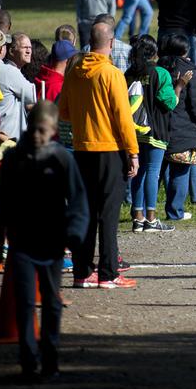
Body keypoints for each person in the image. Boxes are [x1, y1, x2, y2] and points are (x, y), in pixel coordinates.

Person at [0, 101, 89, 380]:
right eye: (33, 129)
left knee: (51, 301)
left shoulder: (61, 158)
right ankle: (28, 357)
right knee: (23, 301)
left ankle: (50, 355)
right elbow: (4, 203)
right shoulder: (15, 158)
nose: (36, 135)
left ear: (54, 130)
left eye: (42, 131)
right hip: (21, 242)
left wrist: (75, 234)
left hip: (52, 242)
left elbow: (79, 201)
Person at [58, 21, 139, 289]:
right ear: (112, 42)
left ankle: (82, 272)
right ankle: (108, 273)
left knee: (86, 213)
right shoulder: (111, 73)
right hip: (108, 150)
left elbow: (64, 112)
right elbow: (123, 118)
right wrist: (133, 152)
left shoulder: (74, 71)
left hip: (82, 149)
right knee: (108, 214)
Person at [124, 34, 191, 233]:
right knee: (153, 172)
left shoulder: (129, 73)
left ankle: (138, 217)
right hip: (156, 129)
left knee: (139, 173)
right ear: (154, 53)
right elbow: (170, 102)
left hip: (133, 131)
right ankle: (151, 219)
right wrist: (179, 86)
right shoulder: (160, 73)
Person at [158, 34, 196, 218]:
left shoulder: (158, 69)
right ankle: (175, 211)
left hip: (157, 129)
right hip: (183, 130)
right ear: (185, 50)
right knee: (180, 171)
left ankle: (143, 212)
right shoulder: (191, 73)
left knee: (154, 172)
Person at [0, 29, 36, 140]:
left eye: (30, 48)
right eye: (25, 47)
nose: (28, 51)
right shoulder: (8, 71)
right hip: (7, 138)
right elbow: (33, 96)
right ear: (2, 49)